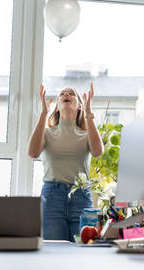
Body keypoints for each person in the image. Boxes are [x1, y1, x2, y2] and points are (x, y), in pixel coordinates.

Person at [28, 83, 103, 241]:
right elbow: (32, 152)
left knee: (82, 248)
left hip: (81, 195)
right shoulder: (47, 133)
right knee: (53, 249)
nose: (66, 95)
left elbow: (97, 152)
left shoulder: (86, 133)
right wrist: (43, 113)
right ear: (56, 107)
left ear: (79, 107)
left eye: (71, 94)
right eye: (62, 94)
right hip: (52, 195)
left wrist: (89, 113)